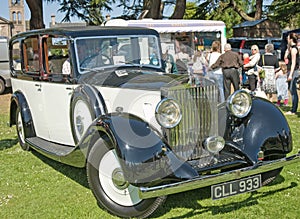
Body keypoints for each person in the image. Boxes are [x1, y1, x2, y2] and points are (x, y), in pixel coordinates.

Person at [284, 32, 299, 115]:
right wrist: (287, 47)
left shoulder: (294, 49)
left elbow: (293, 63)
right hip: (290, 70)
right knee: (291, 89)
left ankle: (294, 110)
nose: (287, 39)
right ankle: (293, 108)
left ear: (291, 39)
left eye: (288, 38)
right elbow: (285, 58)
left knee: (293, 90)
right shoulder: (290, 48)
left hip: (294, 71)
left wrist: (290, 75)